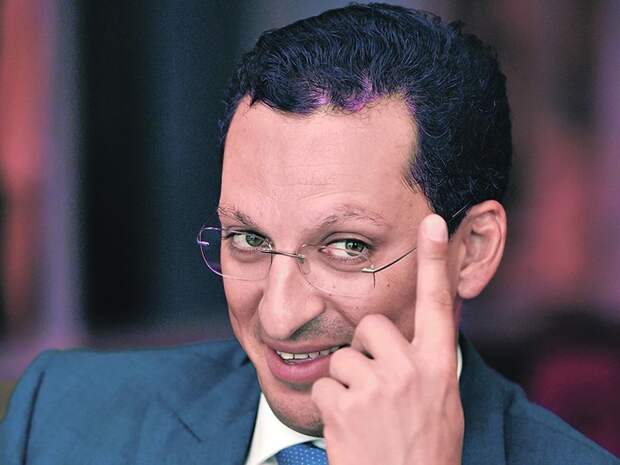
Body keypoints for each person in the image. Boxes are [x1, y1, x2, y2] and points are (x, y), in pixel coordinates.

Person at [0, 3, 617, 464]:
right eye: (249, 240)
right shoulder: (61, 418)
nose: (278, 315)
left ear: (473, 250)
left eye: (346, 247)